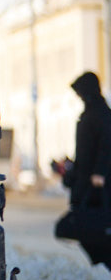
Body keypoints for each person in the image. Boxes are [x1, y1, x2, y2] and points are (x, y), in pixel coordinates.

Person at [54, 71, 111, 267]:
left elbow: (107, 145)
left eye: (80, 92)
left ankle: (104, 263)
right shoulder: (91, 112)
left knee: (94, 224)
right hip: (85, 178)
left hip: (95, 182)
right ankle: (102, 264)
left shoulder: (101, 113)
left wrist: (100, 173)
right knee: (83, 223)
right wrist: (70, 168)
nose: (79, 97)